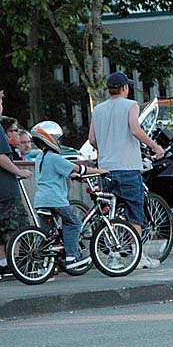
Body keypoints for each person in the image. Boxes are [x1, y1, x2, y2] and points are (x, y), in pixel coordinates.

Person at [88, 71, 165, 269]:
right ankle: (137, 256)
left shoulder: (98, 109)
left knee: (110, 214)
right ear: (124, 88)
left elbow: (92, 140)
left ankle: (113, 256)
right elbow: (135, 129)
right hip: (128, 168)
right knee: (134, 212)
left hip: (104, 169)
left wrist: (107, 149)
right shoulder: (131, 105)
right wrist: (155, 147)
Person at [31, 121, 107, 270]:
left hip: (41, 200)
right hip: (56, 200)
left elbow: (56, 172)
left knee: (48, 234)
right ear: (52, 139)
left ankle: (42, 266)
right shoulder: (55, 158)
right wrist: (100, 171)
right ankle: (72, 257)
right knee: (73, 223)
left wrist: (72, 175)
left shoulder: (40, 157)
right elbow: (79, 168)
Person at [0, 91, 32, 280]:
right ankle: (16, 264)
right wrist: (18, 171)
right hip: (5, 189)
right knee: (15, 227)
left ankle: (3, 265)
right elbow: (1, 156)